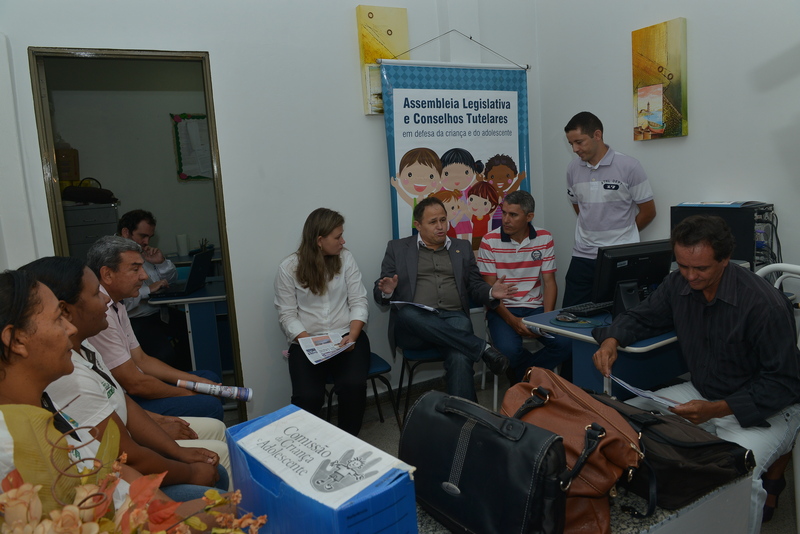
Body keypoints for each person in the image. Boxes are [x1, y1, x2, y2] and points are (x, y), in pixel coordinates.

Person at [591, 215, 800, 532]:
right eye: (683, 265)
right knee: (622, 418)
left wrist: (717, 410)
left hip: (769, 408)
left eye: (700, 268)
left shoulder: (763, 305)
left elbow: (783, 383)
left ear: (725, 259)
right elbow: (643, 317)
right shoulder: (678, 284)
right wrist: (611, 341)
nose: (689, 276)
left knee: (736, 475)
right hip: (706, 391)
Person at [0, 269, 221, 507]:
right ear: (18, 339)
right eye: (57, 319)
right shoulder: (10, 447)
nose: (70, 329)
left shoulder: (43, 404)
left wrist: (171, 510)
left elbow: (112, 467)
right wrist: (185, 492)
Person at [374, 197, 515, 402]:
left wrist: (491, 292)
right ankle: (481, 348)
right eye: (433, 222)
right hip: (415, 328)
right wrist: (387, 291)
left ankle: (462, 415)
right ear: (418, 225)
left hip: (453, 318)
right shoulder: (397, 248)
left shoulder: (462, 247)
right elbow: (380, 293)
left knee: (459, 355)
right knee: (407, 313)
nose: (440, 227)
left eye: (443, 220)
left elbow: (475, 285)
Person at [86, 236, 224, 421]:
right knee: (208, 403)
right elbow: (134, 384)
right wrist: (188, 393)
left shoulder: (117, 302)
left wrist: (194, 382)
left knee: (208, 378)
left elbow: (141, 360)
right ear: (107, 274)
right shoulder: (100, 313)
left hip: (131, 388)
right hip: (122, 401)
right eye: (135, 269)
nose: (144, 276)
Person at [274, 208, 371, 436]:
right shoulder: (289, 268)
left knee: (353, 386)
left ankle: (347, 439)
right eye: (338, 237)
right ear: (319, 240)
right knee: (308, 397)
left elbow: (358, 301)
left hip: (346, 336)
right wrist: (311, 344)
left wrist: (353, 336)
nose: (343, 241)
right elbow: (287, 315)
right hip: (306, 341)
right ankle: (305, 443)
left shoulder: (346, 258)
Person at [563, 111, 656, 306]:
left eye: (579, 142)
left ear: (597, 135)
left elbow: (648, 212)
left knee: (619, 315)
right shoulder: (572, 169)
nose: (575, 149)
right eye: (571, 144)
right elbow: (579, 207)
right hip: (582, 256)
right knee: (570, 315)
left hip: (619, 257)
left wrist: (622, 235)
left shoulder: (629, 166)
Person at [477, 191, 572, 383]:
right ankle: (532, 378)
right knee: (509, 352)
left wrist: (546, 319)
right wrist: (513, 321)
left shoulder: (544, 238)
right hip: (501, 310)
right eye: (504, 213)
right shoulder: (489, 241)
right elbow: (489, 292)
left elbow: (549, 282)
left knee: (568, 343)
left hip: (535, 309)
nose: (505, 220)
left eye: (513, 215)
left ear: (529, 217)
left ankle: (522, 376)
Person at [118, 209, 191, 370]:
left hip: (158, 313)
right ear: (125, 232)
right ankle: (170, 376)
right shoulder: (113, 259)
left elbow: (171, 280)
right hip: (135, 319)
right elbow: (121, 302)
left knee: (195, 328)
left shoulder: (142, 252)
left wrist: (161, 263)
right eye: (142, 236)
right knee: (164, 355)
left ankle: (185, 373)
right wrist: (148, 290)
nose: (146, 241)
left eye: (149, 237)